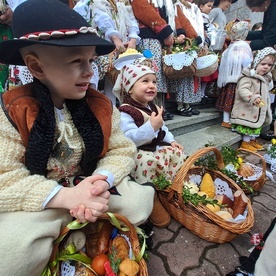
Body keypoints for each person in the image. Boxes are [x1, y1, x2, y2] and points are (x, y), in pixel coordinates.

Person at [0, 0, 155, 274]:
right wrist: (65, 197)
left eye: (91, 60)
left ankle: (80, 228)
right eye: (76, 62)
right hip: (46, 201)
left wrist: (100, 182)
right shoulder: (13, 110)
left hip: (88, 185)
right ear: (36, 67)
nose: (89, 72)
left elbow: (121, 150)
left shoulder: (101, 105)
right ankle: (82, 228)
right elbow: (5, 178)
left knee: (139, 202)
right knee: (10, 254)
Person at [113, 64, 186, 227]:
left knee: (175, 152)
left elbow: (163, 128)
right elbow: (130, 138)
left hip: (154, 148)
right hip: (138, 151)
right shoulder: (126, 111)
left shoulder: (152, 107)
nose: (151, 85)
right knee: (146, 161)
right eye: (145, 81)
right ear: (130, 89)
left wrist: (171, 140)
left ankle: (167, 187)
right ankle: (150, 195)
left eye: (154, 81)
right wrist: (151, 126)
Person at [74, 0, 141, 106]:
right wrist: (114, 37)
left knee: (114, 74)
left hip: (122, 41)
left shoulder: (123, 2)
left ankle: (112, 107)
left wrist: (133, 37)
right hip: (102, 40)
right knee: (96, 72)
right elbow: (100, 15)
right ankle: (90, 105)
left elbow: (131, 18)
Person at [130, 0, 176, 121]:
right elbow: (145, 11)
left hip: (154, 41)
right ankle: (152, 109)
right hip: (147, 41)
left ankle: (159, 108)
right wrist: (166, 32)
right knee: (150, 72)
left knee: (157, 75)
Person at [230, 47, 276, 152]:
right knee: (249, 127)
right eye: (263, 64)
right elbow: (243, 90)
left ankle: (252, 140)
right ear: (256, 63)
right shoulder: (248, 77)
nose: (266, 67)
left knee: (256, 126)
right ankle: (245, 142)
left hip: (257, 109)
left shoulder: (265, 78)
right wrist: (252, 97)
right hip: (247, 109)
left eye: (269, 65)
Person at [215, 21, 253, 129]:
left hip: (228, 78)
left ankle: (226, 120)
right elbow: (246, 62)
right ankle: (230, 120)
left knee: (227, 100)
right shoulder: (243, 46)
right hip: (238, 79)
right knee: (234, 101)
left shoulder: (230, 47)